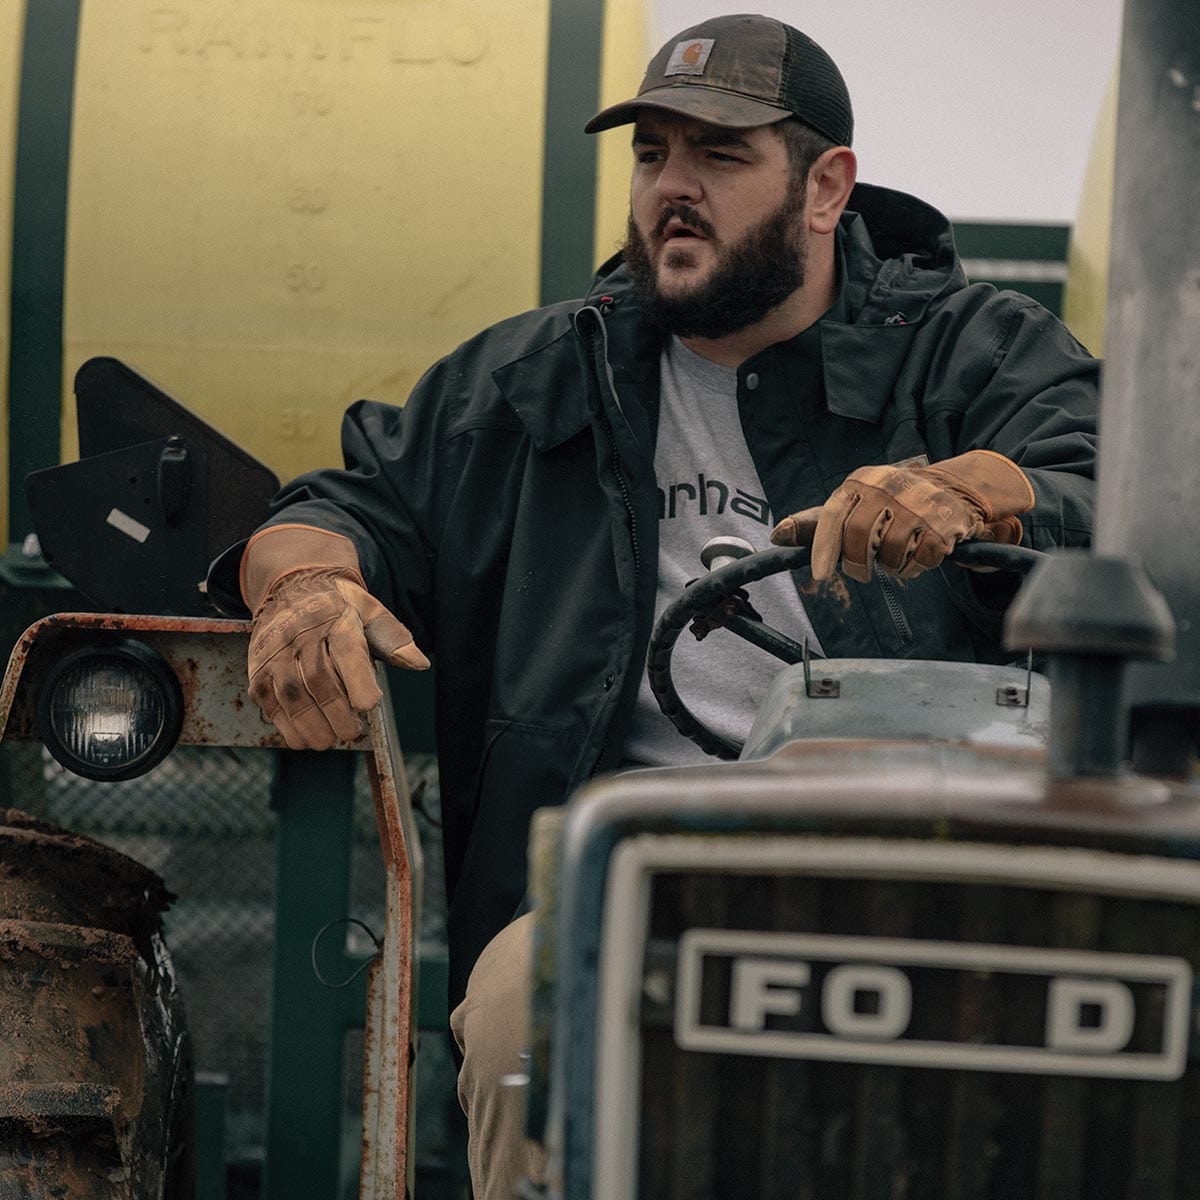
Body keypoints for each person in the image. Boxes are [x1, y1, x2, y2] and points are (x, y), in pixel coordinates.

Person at [210, 14, 1097, 1195]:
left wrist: (972, 493)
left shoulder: (971, 356)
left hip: (920, 871)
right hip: (620, 887)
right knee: (531, 1008)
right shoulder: (531, 380)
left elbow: (1105, 486)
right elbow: (343, 500)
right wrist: (307, 582)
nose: (672, 189)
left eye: (720, 157)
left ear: (827, 185)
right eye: (652, 155)